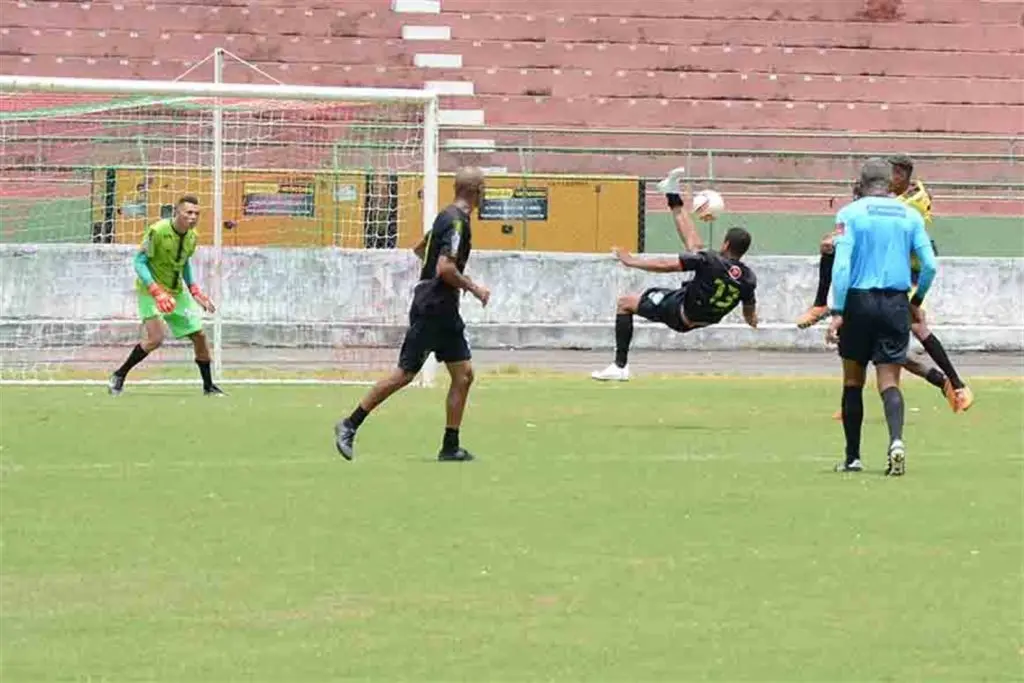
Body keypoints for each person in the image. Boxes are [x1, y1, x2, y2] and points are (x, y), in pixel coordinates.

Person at [334, 167, 490, 462]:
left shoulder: (446, 216)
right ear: (476, 191)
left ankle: (450, 445)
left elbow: (421, 249)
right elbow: (445, 268)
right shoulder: (457, 222)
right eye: (484, 191)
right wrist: (474, 288)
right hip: (434, 307)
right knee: (404, 374)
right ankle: (349, 424)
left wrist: (438, 273)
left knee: (464, 374)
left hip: (443, 308)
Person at [797, 159, 973, 414]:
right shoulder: (897, 201)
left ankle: (956, 384)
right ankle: (943, 383)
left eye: (894, 175)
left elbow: (880, 217)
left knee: (910, 332)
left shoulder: (912, 199)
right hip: (890, 273)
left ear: (901, 175)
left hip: (903, 275)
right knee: (888, 350)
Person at [827, 158, 937, 476]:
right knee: (889, 380)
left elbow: (842, 266)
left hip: (859, 302)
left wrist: (838, 311)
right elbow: (929, 265)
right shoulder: (910, 214)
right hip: (895, 302)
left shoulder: (850, 213)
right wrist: (916, 300)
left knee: (853, 380)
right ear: (890, 183)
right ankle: (897, 443)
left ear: (861, 183)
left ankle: (853, 457)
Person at [591, 220, 758, 381]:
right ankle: (675, 202)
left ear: (726, 245)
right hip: (702, 317)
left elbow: (666, 265)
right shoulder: (748, 278)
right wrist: (754, 322)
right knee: (695, 251)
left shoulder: (710, 260)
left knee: (625, 303)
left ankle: (619, 367)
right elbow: (749, 315)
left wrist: (631, 261)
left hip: (678, 312)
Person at [108, 195, 222, 396]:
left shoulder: (192, 236)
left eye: (197, 213)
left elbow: (184, 262)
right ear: (177, 212)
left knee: (200, 336)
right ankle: (119, 374)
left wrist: (195, 290)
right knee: (156, 338)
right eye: (189, 212)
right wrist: (156, 291)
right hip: (150, 292)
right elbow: (139, 262)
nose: (193, 217)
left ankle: (209, 387)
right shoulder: (157, 231)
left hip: (176, 292)